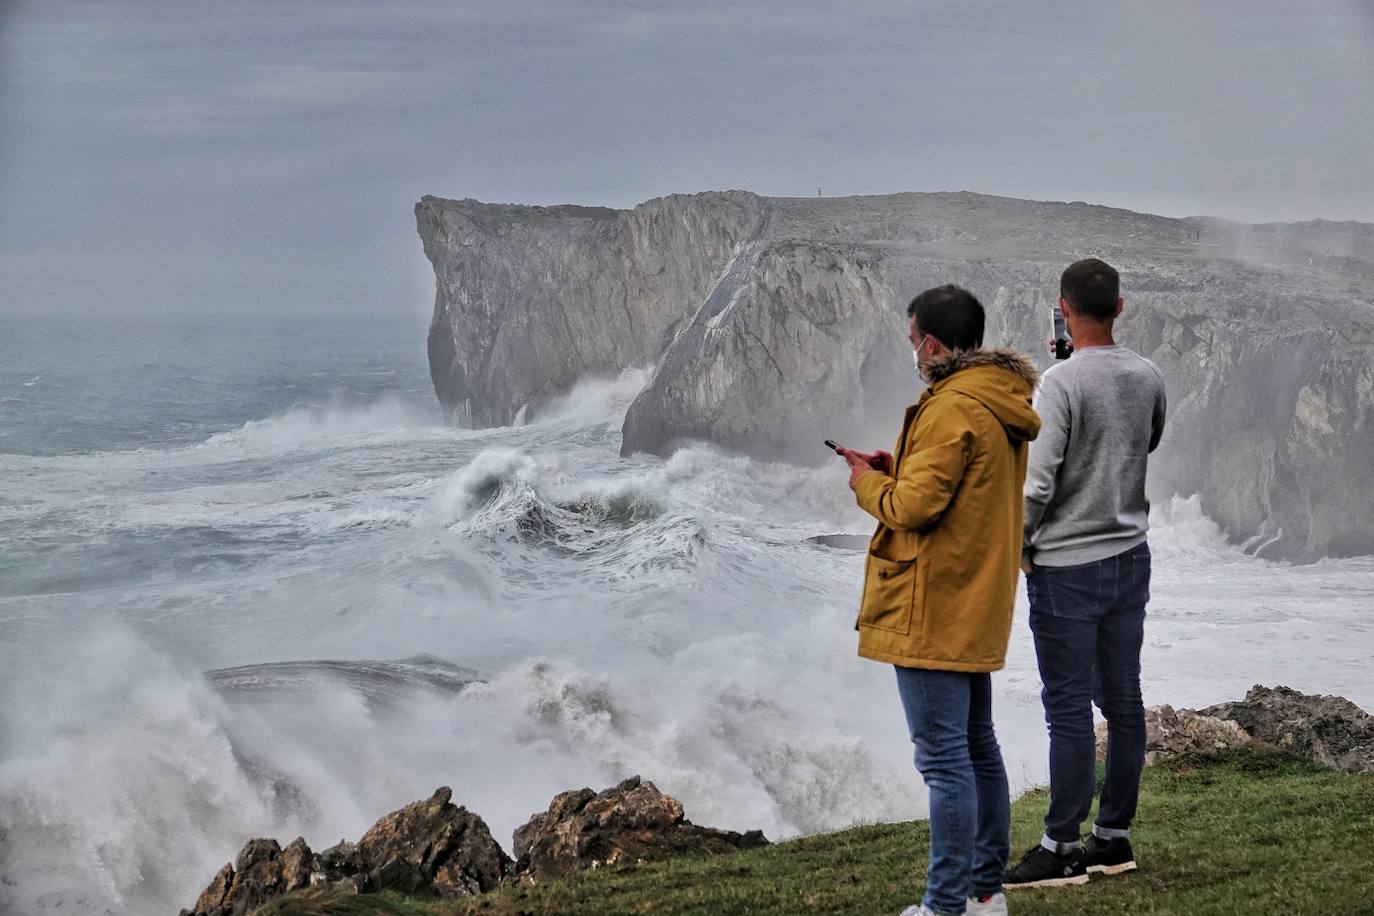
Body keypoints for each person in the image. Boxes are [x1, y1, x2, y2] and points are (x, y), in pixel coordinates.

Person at [840, 285, 1040, 916]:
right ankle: (985, 894)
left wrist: (868, 482)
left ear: (930, 342)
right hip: (976, 598)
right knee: (978, 748)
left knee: (945, 761)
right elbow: (962, 490)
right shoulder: (994, 401)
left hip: (933, 604)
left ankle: (945, 906)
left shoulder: (952, 407)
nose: (912, 353)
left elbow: (913, 507)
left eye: (912, 342)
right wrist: (897, 464)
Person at [1005, 258, 1167, 889]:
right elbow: (1144, 442)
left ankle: (1061, 848)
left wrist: (1017, 546)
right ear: (1120, 307)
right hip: (1130, 557)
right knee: (1124, 700)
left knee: (1068, 708)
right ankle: (1113, 839)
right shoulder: (1147, 376)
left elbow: (1039, 481)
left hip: (1067, 566)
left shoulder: (1059, 383)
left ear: (1064, 309)